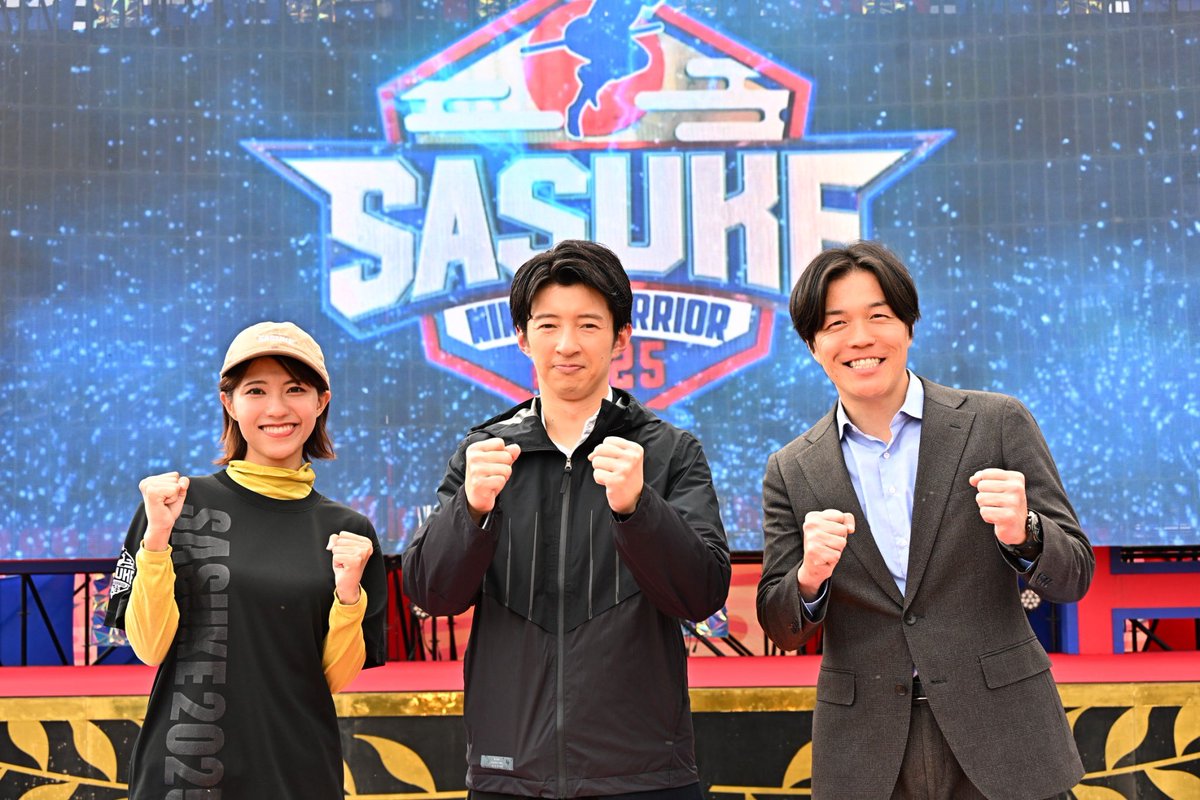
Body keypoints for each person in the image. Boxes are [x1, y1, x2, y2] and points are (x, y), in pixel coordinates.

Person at [756, 241, 1094, 800]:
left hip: (1005, 735)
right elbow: (781, 625)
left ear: (908, 326)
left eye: (878, 316)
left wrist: (1026, 533)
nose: (860, 338)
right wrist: (809, 578)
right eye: (836, 324)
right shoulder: (792, 469)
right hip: (867, 752)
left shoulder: (996, 422)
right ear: (813, 345)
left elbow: (1075, 574)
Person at [402, 239, 730, 799]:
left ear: (621, 337)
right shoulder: (484, 454)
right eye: (548, 325)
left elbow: (701, 595)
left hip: (645, 773)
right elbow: (432, 593)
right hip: (510, 772)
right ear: (523, 337)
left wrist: (638, 508)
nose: (567, 344)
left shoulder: (670, 452)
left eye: (588, 325)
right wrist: (470, 510)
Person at [105, 320, 388, 799]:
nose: (277, 408)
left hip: (297, 775)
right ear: (229, 403)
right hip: (184, 775)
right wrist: (156, 541)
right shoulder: (174, 505)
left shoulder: (349, 531)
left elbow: (332, 679)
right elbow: (150, 648)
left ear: (321, 401)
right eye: (256, 390)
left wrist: (347, 594)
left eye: (295, 389)